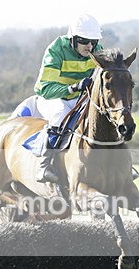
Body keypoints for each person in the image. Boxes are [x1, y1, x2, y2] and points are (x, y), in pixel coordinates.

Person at [33, 13, 104, 183]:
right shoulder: (56, 50)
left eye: (93, 42)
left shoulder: (97, 51)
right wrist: (73, 87)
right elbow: (45, 89)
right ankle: (44, 165)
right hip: (54, 99)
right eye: (84, 41)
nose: (89, 46)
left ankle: (119, 163)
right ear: (72, 38)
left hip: (81, 99)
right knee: (60, 113)